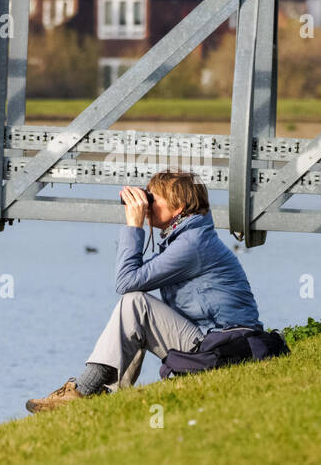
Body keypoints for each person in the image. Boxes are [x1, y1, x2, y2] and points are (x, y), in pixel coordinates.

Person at [26, 170, 263, 413]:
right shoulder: (187, 237)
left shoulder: (192, 244)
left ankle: (85, 389)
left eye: (153, 199)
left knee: (135, 303)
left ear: (178, 206)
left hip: (225, 347)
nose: (146, 204)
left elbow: (126, 282)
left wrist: (134, 225)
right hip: (214, 343)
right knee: (136, 309)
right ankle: (107, 394)